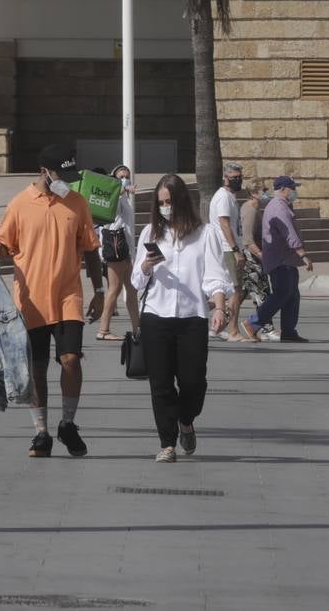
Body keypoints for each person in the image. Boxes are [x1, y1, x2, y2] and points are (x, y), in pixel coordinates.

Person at [0, 144, 103, 459]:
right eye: (61, 174)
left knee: (71, 361)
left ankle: (67, 423)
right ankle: (41, 433)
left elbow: (90, 248)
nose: (67, 180)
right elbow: (5, 244)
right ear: (44, 172)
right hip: (30, 302)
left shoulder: (76, 203)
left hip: (68, 297)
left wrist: (100, 291)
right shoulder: (19, 204)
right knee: (36, 369)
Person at [131, 174, 228, 462]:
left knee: (194, 382)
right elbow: (136, 280)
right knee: (160, 384)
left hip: (192, 317)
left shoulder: (205, 234)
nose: (165, 207)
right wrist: (146, 266)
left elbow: (215, 276)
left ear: (182, 201)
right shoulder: (150, 233)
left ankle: (186, 420)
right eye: (160, 202)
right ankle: (167, 443)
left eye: (170, 202)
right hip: (155, 317)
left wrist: (220, 308)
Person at [244, 175, 312, 343]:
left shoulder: (282, 205)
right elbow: (288, 232)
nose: (295, 191)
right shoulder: (278, 207)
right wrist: (303, 254)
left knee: (292, 295)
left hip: (286, 259)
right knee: (282, 293)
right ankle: (253, 323)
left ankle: (288, 331)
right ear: (283, 189)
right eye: (292, 188)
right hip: (280, 259)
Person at [92, 164, 138, 342]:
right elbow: (114, 194)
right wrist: (124, 187)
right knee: (115, 288)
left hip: (126, 250)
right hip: (116, 248)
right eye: (120, 177)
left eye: (127, 176)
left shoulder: (124, 199)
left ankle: (137, 327)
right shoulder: (114, 197)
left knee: (131, 290)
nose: (125, 179)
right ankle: (103, 330)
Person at [209, 162, 246, 339]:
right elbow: (224, 224)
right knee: (235, 290)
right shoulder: (223, 197)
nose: (237, 180)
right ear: (225, 178)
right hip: (226, 248)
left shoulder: (229, 196)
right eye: (233, 178)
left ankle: (216, 324)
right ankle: (233, 330)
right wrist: (236, 250)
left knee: (225, 290)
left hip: (228, 248)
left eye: (239, 177)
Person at [237, 177, 271, 334]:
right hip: (252, 257)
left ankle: (221, 322)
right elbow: (248, 239)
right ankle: (266, 328)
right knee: (263, 293)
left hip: (253, 256)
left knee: (242, 293)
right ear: (254, 193)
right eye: (264, 190)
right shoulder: (250, 209)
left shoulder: (255, 208)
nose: (266, 193)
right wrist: (261, 255)